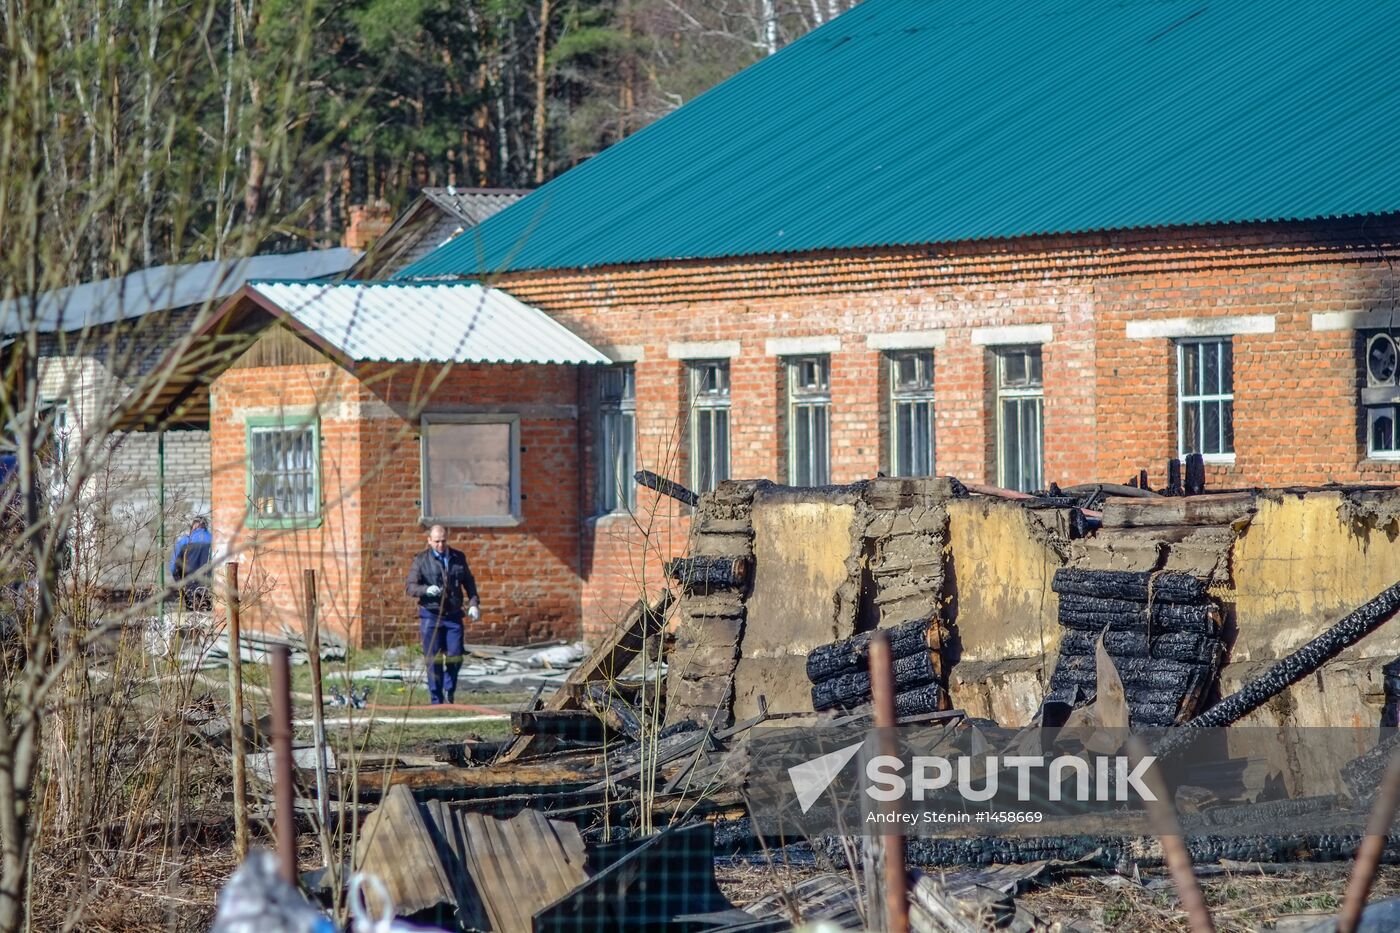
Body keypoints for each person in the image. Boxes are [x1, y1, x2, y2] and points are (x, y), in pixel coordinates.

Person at [406, 524, 479, 705]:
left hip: (453, 614)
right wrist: (426, 590)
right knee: (433, 659)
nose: (440, 545)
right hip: (430, 614)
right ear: (429, 541)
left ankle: (449, 689)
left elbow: (468, 582)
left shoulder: (457, 557)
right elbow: (410, 587)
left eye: (443, 541)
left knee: (456, 655)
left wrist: (473, 604)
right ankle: (436, 698)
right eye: (437, 541)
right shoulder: (421, 560)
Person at [169, 517, 213, 611]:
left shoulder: (185, 541)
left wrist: (180, 583)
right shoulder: (214, 540)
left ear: (193, 527)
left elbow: (173, 568)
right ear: (205, 527)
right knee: (209, 617)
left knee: (192, 618)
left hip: (190, 586)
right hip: (210, 586)